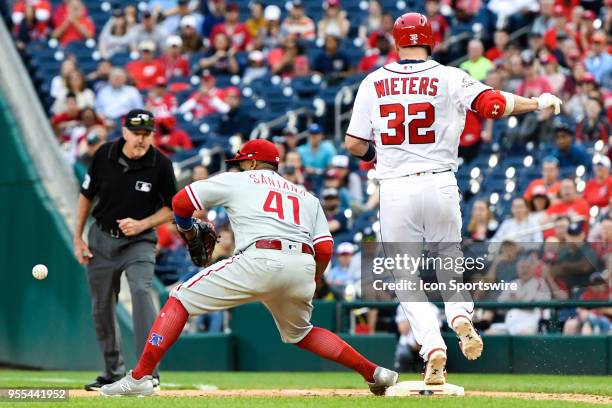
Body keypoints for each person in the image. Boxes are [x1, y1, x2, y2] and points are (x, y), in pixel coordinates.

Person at [344, 12, 563, 386]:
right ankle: (460, 316)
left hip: (395, 186)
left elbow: (353, 144)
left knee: (405, 275)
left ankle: (433, 349)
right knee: (449, 259)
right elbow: (492, 105)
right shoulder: (449, 75)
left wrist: (377, 156)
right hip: (442, 181)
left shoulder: (373, 82)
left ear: (397, 42)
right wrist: (535, 102)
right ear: (430, 40)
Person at [99, 139, 397, 396]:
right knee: (301, 332)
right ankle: (374, 373)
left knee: (179, 297)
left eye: (242, 162)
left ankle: (140, 377)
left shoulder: (238, 179)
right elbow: (325, 248)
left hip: (260, 257)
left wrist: (188, 230)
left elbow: (180, 202)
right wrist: (310, 278)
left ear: (253, 162)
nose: (240, 166)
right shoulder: (307, 196)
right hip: (302, 265)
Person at [74, 109, 177, 391]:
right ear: (124, 131)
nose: (141, 139)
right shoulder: (103, 155)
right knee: (101, 307)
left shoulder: (161, 164)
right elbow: (86, 197)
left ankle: (148, 372)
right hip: (100, 240)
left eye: (147, 134)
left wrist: (143, 223)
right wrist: (77, 238)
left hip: (139, 242)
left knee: (143, 292)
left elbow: (172, 209)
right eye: (136, 133)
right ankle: (111, 372)